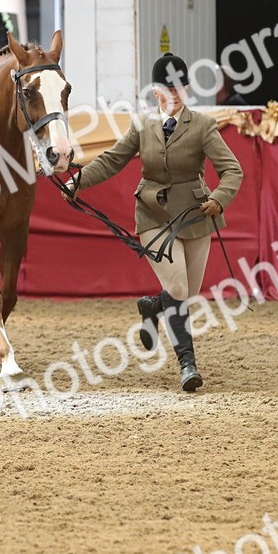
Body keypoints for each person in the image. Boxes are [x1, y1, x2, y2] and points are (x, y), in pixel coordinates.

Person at [69, 52, 244, 391]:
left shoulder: (204, 127)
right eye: (167, 88)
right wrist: (77, 182)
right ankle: (187, 364)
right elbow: (111, 161)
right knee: (178, 289)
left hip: (195, 216)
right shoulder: (141, 126)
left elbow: (232, 170)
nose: (174, 94)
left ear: (188, 90)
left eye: (180, 88)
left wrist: (219, 199)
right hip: (151, 215)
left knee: (185, 296)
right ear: (155, 92)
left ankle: (152, 306)